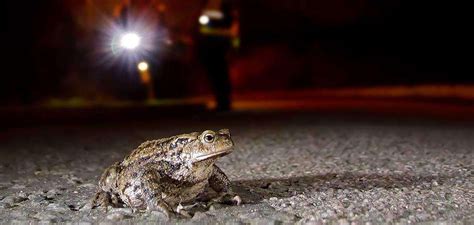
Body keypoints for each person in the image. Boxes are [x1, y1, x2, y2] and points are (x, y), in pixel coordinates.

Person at [197, 0, 240, 111]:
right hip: (209, 44)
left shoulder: (226, 6)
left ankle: (224, 102)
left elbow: (234, 28)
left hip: (221, 44)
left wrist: (234, 44)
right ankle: (221, 101)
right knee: (215, 74)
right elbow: (202, 25)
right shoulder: (208, 5)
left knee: (221, 73)